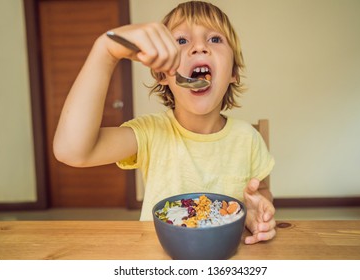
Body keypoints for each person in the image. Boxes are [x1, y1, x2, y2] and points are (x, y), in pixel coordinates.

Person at [53, 1, 276, 244]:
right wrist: (105, 51)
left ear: (233, 72)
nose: (199, 47)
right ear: (162, 75)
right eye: (181, 41)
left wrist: (256, 210)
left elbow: (261, 190)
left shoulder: (248, 138)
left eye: (214, 39)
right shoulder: (150, 133)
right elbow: (72, 151)